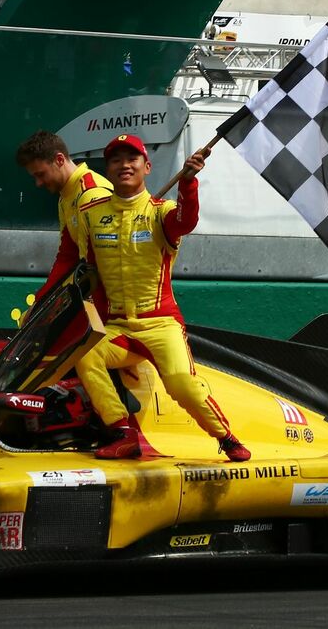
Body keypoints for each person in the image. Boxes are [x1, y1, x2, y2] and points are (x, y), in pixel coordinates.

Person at [72, 134, 250, 462]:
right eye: (116, 160)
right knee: (84, 353)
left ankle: (225, 438)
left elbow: (186, 221)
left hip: (161, 324)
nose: (124, 165)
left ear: (147, 167)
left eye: (132, 159)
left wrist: (188, 182)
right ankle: (123, 433)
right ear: (108, 170)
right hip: (118, 328)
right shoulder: (90, 213)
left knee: (181, 384)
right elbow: (91, 271)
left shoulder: (161, 211)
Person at [14, 130, 113, 304]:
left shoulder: (92, 193)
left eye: (40, 174)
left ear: (59, 160)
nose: (38, 183)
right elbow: (68, 255)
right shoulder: (65, 196)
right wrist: (41, 301)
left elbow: (108, 260)